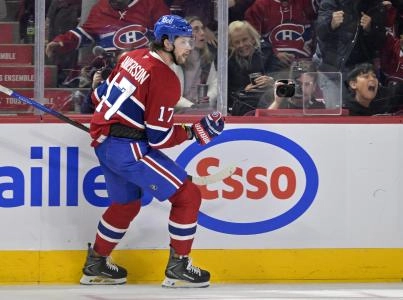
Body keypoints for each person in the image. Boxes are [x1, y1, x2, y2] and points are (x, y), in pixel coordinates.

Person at [80, 15, 225, 288]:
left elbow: (97, 97)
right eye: (184, 41)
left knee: (126, 204)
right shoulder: (165, 78)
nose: (189, 47)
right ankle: (178, 267)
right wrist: (194, 133)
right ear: (167, 42)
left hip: (105, 144)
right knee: (188, 195)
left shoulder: (131, 57)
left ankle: (96, 263)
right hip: (128, 150)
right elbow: (159, 137)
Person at [315, 0, 388, 108]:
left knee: (360, 117)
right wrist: (331, 24)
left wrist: (370, 28)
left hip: (362, 73)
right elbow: (319, 32)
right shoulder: (331, 2)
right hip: (333, 70)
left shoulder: (376, 5)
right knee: (336, 118)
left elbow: (380, 44)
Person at [45, 0, 169, 59]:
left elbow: (168, 37)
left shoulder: (153, 5)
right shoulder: (101, 8)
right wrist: (62, 41)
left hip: (145, 66)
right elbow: (86, 33)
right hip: (110, 66)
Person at [227, 20, 282, 115]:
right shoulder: (228, 60)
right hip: (240, 108)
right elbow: (226, 90)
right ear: (231, 44)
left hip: (269, 104)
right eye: (237, 42)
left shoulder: (267, 51)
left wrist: (271, 80)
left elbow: (282, 75)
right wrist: (243, 91)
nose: (242, 45)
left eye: (244, 40)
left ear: (252, 38)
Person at [244, 0, 318, 68]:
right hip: (272, 64)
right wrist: (274, 53)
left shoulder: (306, 2)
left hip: (306, 63)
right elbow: (252, 37)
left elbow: (324, 12)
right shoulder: (259, 5)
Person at [182, 16, 217, 107]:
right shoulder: (176, 59)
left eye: (202, 29)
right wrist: (191, 106)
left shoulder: (208, 57)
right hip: (178, 111)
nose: (202, 33)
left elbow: (215, 84)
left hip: (200, 109)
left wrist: (208, 97)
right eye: (196, 30)